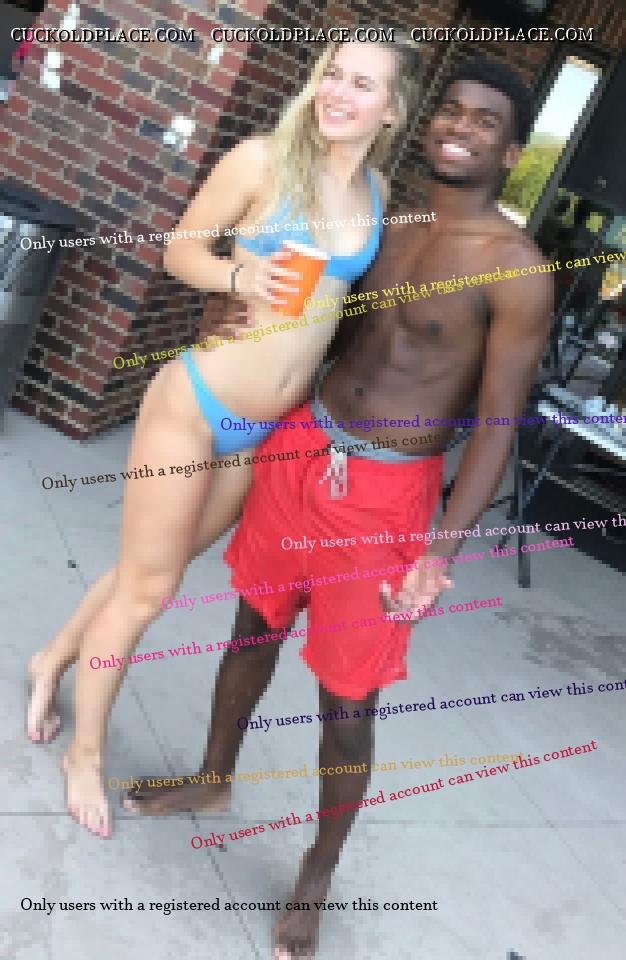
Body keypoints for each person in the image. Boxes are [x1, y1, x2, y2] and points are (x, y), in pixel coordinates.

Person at [126, 55, 554, 960]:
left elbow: (497, 426)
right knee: (252, 626)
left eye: (484, 122)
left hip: (389, 496)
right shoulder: (386, 223)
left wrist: (439, 552)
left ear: (512, 152)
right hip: (303, 448)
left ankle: (315, 876)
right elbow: (320, 321)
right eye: (452, 110)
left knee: (349, 696)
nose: (460, 128)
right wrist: (224, 317)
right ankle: (212, 776)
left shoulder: (515, 267)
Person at [26, 34, 422, 838]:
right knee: (148, 589)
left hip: (265, 430)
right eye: (333, 75)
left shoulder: (378, 192)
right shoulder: (262, 160)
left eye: (363, 84)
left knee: (151, 571)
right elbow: (180, 250)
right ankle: (85, 754)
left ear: (393, 109)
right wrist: (238, 276)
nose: (339, 93)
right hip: (197, 404)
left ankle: (52, 657)